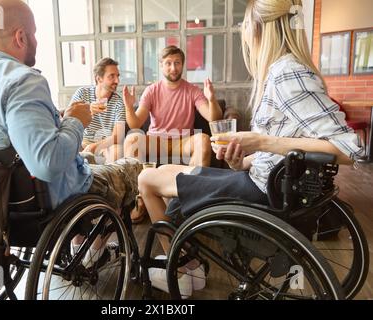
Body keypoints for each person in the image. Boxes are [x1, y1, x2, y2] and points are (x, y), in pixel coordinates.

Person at [137, 0, 364, 297]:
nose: (244, 35)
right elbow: (286, 146)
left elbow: (350, 149)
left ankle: (182, 270)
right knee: (166, 175)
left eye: (245, 27)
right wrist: (242, 161)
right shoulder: (282, 71)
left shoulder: (287, 73)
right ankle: (189, 266)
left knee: (147, 179)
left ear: (258, 30)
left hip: (261, 191)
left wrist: (259, 141)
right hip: (260, 179)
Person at [0, 0, 142, 266]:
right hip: (44, 202)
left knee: (91, 160)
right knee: (131, 166)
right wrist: (74, 121)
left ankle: (84, 243)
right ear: (20, 37)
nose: (35, 40)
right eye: (33, 33)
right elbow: (47, 163)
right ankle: (105, 249)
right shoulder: (23, 81)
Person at [123, 45, 224, 223]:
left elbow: (213, 117)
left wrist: (211, 98)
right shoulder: (152, 90)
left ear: (183, 65)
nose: (173, 67)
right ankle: (138, 200)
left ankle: (192, 200)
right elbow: (135, 123)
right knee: (132, 139)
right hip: (156, 141)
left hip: (182, 140)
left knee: (203, 139)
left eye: (177, 63)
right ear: (161, 65)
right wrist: (129, 107)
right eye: (168, 63)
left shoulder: (192, 90)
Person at [70, 57, 126, 164]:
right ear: (99, 79)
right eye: (112, 76)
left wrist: (95, 146)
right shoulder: (82, 93)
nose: (117, 81)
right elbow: (68, 120)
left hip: (105, 145)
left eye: (118, 76)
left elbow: (118, 136)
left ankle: (107, 179)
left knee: (117, 150)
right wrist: (88, 111)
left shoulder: (118, 102)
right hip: (82, 142)